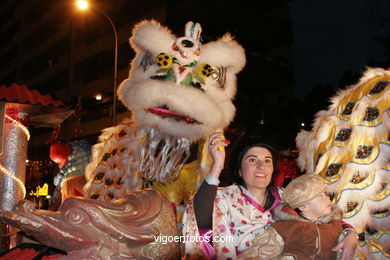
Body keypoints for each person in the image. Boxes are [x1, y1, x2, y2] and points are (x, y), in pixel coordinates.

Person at [182, 132, 358, 259]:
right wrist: (217, 165)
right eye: (252, 160)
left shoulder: (287, 197)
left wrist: (351, 233)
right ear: (240, 171)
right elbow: (200, 219)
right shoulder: (223, 197)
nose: (261, 166)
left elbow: (322, 216)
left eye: (267, 161)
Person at [241, 173, 359, 259]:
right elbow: (262, 253)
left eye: (326, 193)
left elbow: (348, 254)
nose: (328, 198)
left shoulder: (335, 226)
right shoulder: (284, 229)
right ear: (303, 206)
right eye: (320, 195)